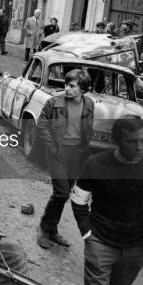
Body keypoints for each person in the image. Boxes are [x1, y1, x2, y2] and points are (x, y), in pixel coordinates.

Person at [71, 116, 143, 285]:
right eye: (132, 141)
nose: (139, 148)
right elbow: (78, 199)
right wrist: (87, 234)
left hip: (135, 248)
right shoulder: (95, 164)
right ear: (117, 141)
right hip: (101, 244)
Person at [35, 69, 94, 249]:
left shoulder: (89, 104)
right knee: (61, 192)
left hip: (77, 155)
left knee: (65, 194)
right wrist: (53, 148)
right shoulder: (54, 103)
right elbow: (41, 126)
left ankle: (52, 230)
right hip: (58, 154)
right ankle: (44, 228)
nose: (67, 89)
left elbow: (88, 130)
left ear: (83, 89)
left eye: (72, 86)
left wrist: (86, 150)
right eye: (66, 84)